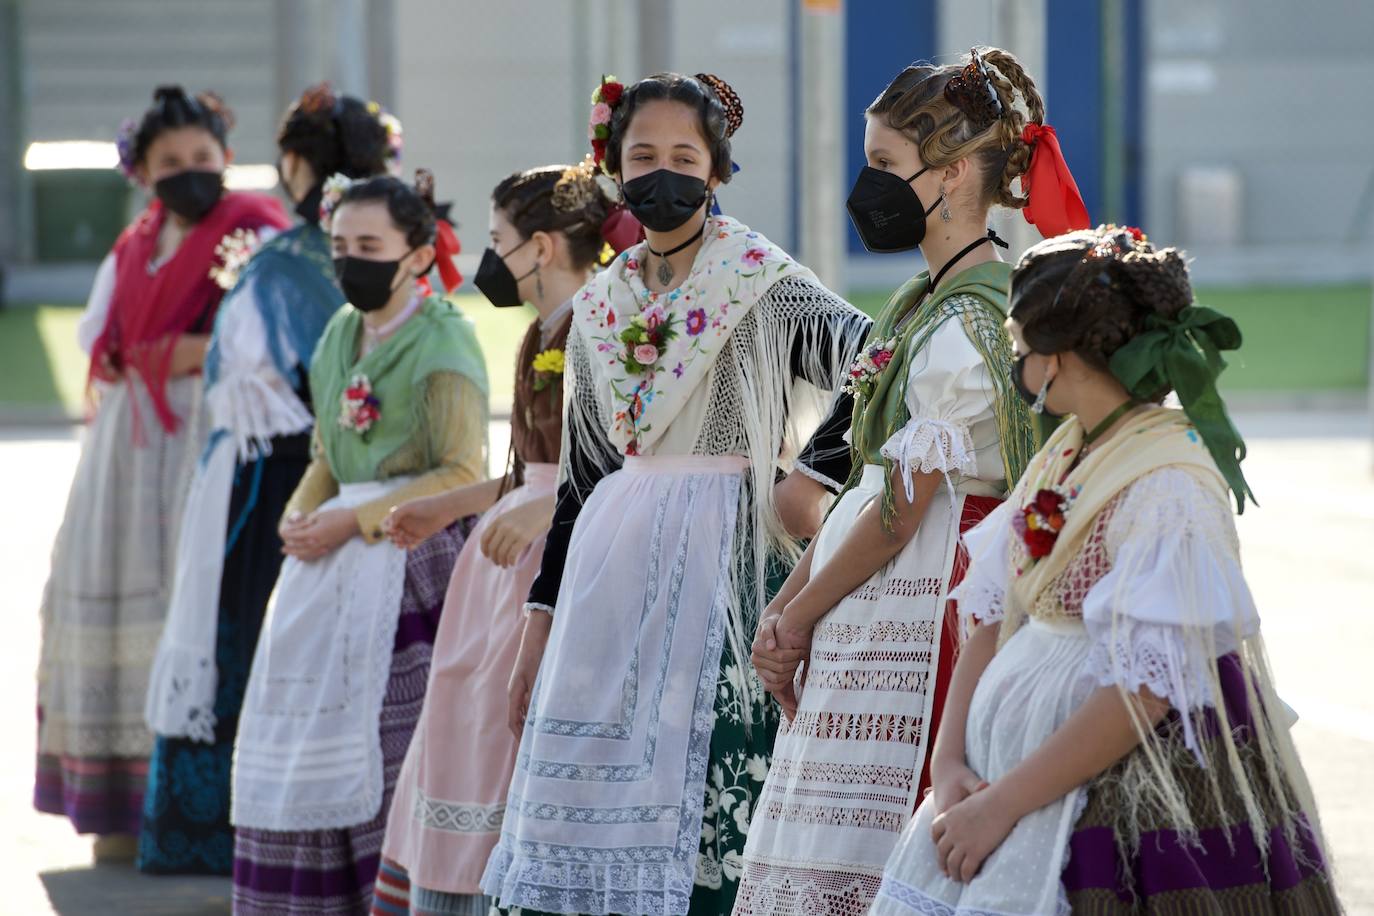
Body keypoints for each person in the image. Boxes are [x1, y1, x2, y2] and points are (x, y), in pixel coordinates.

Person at [480, 71, 871, 916]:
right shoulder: (601, 306)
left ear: (718, 172)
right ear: (614, 169)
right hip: (608, 581)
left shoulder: (762, 284)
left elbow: (878, 363)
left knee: (715, 783)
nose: (664, 172)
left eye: (684, 156)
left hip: (730, 563)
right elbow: (582, 483)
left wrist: (814, 476)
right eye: (643, 155)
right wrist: (536, 627)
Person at [869, 225, 1340, 914]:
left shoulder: (1166, 482)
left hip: (1119, 789)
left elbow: (1144, 693)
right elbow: (994, 615)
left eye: (1017, 344)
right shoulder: (1066, 451)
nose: (1015, 359)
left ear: (1054, 358)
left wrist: (1003, 804)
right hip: (998, 782)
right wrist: (949, 761)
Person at [734, 47, 1091, 915]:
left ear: (957, 171)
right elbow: (864, 484)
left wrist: (797, 613)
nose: (872, 187)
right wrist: (793, 601)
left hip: (933, 614)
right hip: (882, 602)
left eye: (886, 166)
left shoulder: (972, 319)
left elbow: (901, 512)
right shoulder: (920, 303)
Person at [136, 83, 397, 875]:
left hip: (272, 480)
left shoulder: (281, 262)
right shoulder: (403, 249)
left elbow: (242, 391)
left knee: (251, 643)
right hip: (381, 476)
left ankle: (230, 832)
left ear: (294, 163)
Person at [34, 85, 289, 862]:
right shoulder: (135, 245)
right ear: (141, 172)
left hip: (207, 435)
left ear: (226, 159)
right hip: (128, 443)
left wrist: (182, 352)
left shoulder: (254, 230)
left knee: (191, 596)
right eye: (170, 162)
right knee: (108, 587)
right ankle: (114, 799)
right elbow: (96, 337)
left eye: (202, 159)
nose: (189, 172)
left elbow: (266, 338)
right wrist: (152, 352)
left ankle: (184, 804)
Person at [367, 160, 623, 916]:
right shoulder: (535, 335)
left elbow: (604, 467)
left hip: (555, 552)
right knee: (464, 715)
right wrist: (451, 506)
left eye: (497, 239)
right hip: (505, 552)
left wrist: (541, 511)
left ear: (541, 248)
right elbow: (529, 470)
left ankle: (503, 887)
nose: (489, 256)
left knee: (505, 725)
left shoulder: (599, 326)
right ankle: (453, 883)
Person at [230, 171, 488, 915]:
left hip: (414, 556)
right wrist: (301, 510)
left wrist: (357, 519)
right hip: (329, 562)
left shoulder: (445, 340)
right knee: (301, 729)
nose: (351, 261)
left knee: (389, 740)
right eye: (341, 246)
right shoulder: (340, 330)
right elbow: (324, 449)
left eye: (369, 246)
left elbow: (462, 469)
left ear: (416, 253)